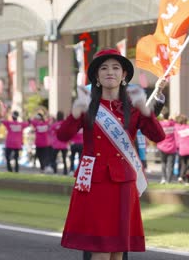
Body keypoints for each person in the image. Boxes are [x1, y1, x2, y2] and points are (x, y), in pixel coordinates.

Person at [57, 48, 165, 259]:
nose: (110, 72)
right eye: (104, 68)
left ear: (124, 75)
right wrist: (75, 111)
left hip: (124, 183)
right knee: (101, 251)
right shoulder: (87, 104)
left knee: (117, 251)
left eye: (116, 68)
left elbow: (158, 136)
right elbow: (62, 135)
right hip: (94, 183)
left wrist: (146, 110)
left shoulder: (133, 107)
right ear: (96, 76)